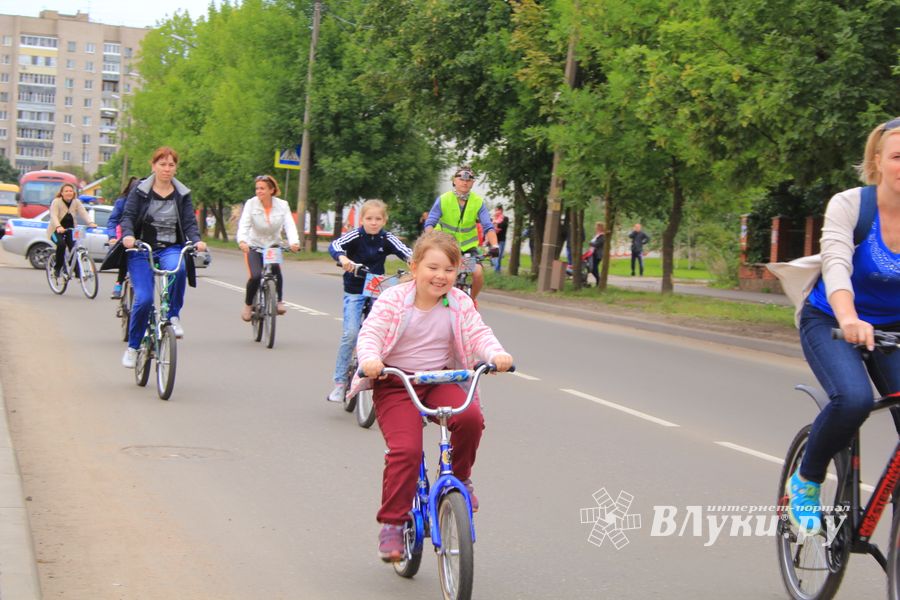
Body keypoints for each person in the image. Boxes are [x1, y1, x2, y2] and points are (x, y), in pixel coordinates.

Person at [349, 231, 514, 561]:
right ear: (414, 268)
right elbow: (371, 333)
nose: (441, 276)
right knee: (406, 451)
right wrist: (370, 359)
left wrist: (496, 354)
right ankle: (393, 524)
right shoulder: (394, 300)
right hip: (396, 381)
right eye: (433, 267)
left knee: (470, 418)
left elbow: (479, 333)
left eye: (449, 270)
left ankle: (461, 478)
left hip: (440, 378)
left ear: (457, 273)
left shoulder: (459, 302)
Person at [785, 117, 900, 535]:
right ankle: (807, 480)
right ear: (878, 160)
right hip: (832, 320)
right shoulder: (852, 205)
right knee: (853, 399)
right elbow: (836, 265)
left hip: (893, 328)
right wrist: (849, 318)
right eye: (898, 156)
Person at [119, 147, 207, 368]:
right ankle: (133, 347)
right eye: (162, 164)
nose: (167, 169)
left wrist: (196, 240)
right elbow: (128, 217)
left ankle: (174, 316)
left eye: (171, 165)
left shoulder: (182, 194)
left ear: (175, 168)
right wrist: (129, 236)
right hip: (141, 248)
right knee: (145, 299)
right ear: (153, 166)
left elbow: (188, 222)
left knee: (178, 269)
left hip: (170, 247)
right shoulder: (139, 191)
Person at [326, 199, 413, 403]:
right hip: (355, 289)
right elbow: (335, 245)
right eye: (369, 218)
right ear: (362, 219)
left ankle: (383, 377)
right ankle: (339, 383)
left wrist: (417, 264)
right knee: (351, 333)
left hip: (377, 290)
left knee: (384, 333)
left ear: (384, 220)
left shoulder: (387, 238)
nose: (373, 223)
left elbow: (408, 253)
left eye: (378, 219)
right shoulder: (355, 235)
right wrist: (343, 259)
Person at [423, 165, 499, 301]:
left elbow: (488, 226)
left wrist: (495, 245)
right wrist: (430, 239)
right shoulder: (444, 199)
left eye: (469, 179)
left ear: (473, 183)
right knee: (436, 272)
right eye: (461, 178)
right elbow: (430, 223)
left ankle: (471, 302)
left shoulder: (478, 202)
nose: (465, 182)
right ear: (454, 181)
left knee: (478, 272)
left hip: (467, 248)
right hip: (446, 246)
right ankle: (430, 297)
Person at [236, 175, 300, 321]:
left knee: (275, 270)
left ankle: (278, 301)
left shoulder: (282, 205)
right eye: (257, 188)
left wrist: (294, 242)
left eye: (262, 188)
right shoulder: (251, 204)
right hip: (253, 245)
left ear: (271, 190)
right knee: (255, 276)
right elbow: (244, 224)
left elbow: (289, 225)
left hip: (273, 245)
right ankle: (248, 305)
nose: (259, 191)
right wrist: (242, 241)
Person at [47, 183, 97, 281]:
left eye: (71, 191)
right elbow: (54, 216)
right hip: (56, 230)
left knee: (74, 247)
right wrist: (58, 226)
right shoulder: (56, 202)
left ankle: (78, 271)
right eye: (66, 191)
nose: (69, 193)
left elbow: (83, 213)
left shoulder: (76, 202)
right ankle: (57, 268)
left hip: (71, 229)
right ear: (61, 193)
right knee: (61, 245)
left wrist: (90, 222)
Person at [106, 177, 139, 299]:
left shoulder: (146, 201)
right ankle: (118, 284)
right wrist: (112, 237)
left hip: (140, 236)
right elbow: (113, 220)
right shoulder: (122, 202)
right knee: (125, 257)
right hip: (124, 235)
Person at [492, 205, 509, 273]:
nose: (496, 212)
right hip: (494, 240)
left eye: (497, 210)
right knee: (494, 256)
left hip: (501, 240)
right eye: (495, 210)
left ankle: (497, 271)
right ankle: (497, 270)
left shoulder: (505, 218)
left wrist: (496, 222)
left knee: (499, 256)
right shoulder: (493, 218)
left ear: (501, 210)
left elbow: (503, 226)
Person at [588, 221, 605, 286]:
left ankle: (598, 280)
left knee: (593, 268)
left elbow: (597, 244)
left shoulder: (602, 236)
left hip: (598, 254)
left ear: (600, 228)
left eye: (597, 227)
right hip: (593, 254)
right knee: (593, 268)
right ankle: (598, 280)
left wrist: (591, 243)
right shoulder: (597, 235)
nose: (595, 228)